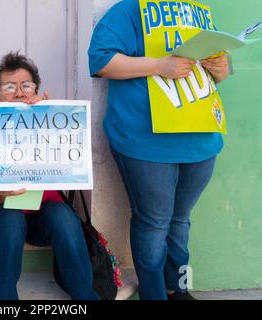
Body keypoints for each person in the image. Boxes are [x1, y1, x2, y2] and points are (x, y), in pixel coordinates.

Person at [88, 0, 229, 300]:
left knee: (180, 220)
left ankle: (177, 289)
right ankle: (153, 295)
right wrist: (158, 65)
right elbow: (100, 61)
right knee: (154, 223)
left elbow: (215, 68)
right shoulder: (129, 10)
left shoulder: (197, 11)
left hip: (200, 139)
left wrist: (222, 67)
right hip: (145, 140)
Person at [0, 52, 99, 300]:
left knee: (64, 216)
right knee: (10, 217)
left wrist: (53, 121)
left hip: (42, 215)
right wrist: (3, 193)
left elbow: (71, 167)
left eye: (26, 86)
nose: (19, 93)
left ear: (37, 90)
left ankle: (86, 297)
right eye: (9, 87)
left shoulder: (51, 120)